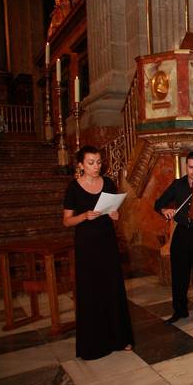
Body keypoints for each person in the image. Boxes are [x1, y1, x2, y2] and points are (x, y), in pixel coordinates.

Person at [63, 145, 134, 360]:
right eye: (91, 163)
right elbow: (66, 221)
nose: (96, 167)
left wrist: (114, 215)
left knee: (112, 289)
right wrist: (84, 216)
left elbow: (114, 211)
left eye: (99, 162)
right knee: (91, 292)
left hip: (107, 243)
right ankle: (94, 345)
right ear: (81, 165)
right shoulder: (73, 188)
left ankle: (120, 339)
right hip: (86, 246)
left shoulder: (109, 183)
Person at [154, 151, 193, 325]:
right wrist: (165, 210)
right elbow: (158, 203)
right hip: (181, 233)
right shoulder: (178, 185)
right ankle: (179, 310)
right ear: (186, 166)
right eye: (191, 167)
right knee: (179, 275)